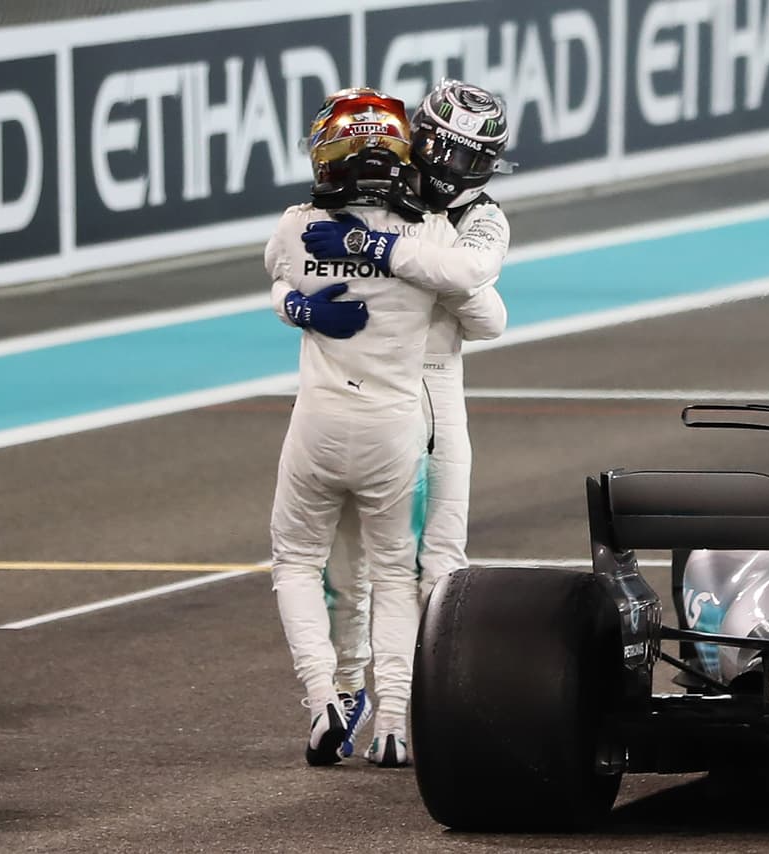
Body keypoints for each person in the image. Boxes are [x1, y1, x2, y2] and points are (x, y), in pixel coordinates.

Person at [267, 87, 504, 769]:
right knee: (381, 573)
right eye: (438, 144)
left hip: (394, 409)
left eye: (463, 153)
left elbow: (487, 309)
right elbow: (482, 315)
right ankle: (377, 710)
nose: (445, 163)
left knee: (427, 566)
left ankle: (351, 702)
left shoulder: (316, 220)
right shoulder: (421, 228)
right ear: (412, 141)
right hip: (401, 415)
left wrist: (369, 254)